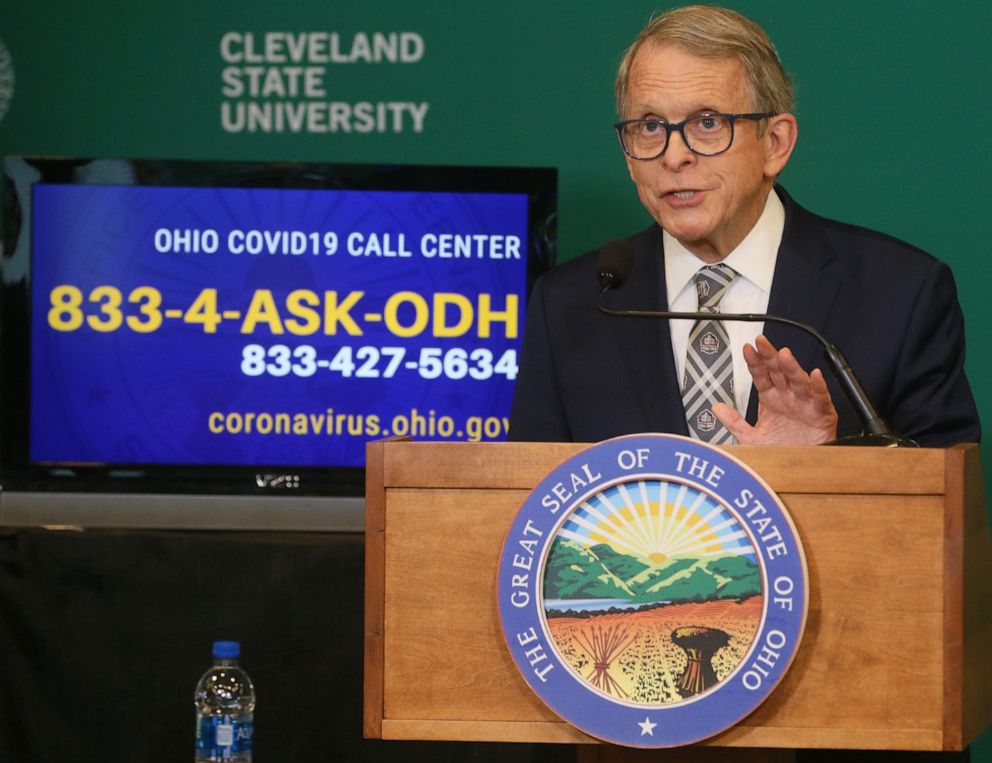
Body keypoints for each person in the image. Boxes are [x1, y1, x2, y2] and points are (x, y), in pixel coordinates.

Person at [509, 4, 980, 448]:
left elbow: (942, 505)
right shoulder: (572, 305)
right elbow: (529, 501)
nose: (674, 156)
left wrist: (824, 466)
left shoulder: (900, 294)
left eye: (708, 122)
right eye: (650, 127)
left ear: (775, 143)